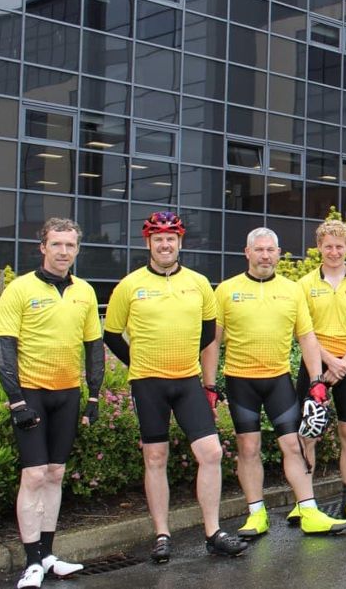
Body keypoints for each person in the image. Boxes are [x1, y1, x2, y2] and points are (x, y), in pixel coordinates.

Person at [103, 211, 247, 563]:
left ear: (180, 242)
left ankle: (213, 532)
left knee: (211, 453)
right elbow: (111, 334)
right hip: (148, 383)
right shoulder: (129, 285)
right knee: (155, 456)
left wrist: (195, 366)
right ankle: (162, 534)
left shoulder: (198, 283)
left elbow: (209, 331)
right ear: (148, 243)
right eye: (158, 239)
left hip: (187, 380)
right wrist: (139, 363)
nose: (165, 244)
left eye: (171, 238)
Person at [209, 227, 346, 538]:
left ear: (278, 253)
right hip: (240, 380)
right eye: (258, 249)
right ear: (247, 253)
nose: (265, 255)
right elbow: (213, 342)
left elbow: (307, 338)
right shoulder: (226, 290)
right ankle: (256, 514)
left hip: (278, 379)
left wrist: (316, 381)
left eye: (270, 250)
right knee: (248, 447)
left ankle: (309, 511)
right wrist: (208, 385)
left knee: (293, 445)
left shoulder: (292, 290)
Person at [0, 218, 103, 588]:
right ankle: (31, 563)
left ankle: (48, 553)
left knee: (56, 473)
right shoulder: (19, 289)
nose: (63, 252)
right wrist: (16, 402)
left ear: (77, 250)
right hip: (31, 393)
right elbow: (5, 350)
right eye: (56, 244)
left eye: (70, 245)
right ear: (43, 247)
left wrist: (93, 395)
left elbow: (93, 346)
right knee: (34, 475)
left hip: (67, 393)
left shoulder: (85, 291)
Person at [297, 220, 346, 521]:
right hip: (315, 364)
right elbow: (303, 332)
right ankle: (305, 502)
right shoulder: (304, 285)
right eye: (328, 246)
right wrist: (329, 361)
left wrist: (343, 364)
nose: (333, 251)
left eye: (339, 246)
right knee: (308, 432)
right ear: (319, 247)